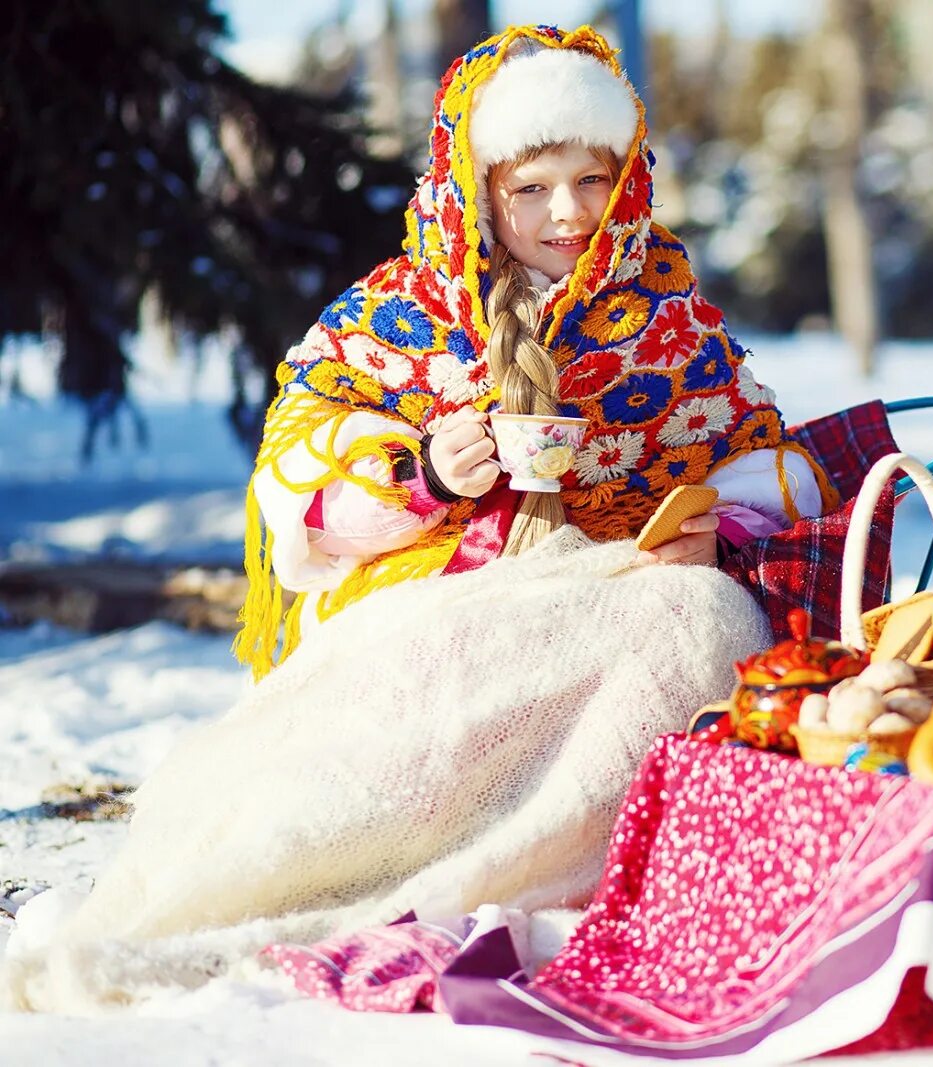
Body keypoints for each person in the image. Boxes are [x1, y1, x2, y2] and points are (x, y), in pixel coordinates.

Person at [2, 24, 835, 1013]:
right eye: (530, 187)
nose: (566, 213)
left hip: (599, 618)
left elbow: (762, 460)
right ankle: (318, 870)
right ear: (475, 187)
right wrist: (426, 475)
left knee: (700, 620)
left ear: (628, 176)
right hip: (430, 614)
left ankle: (516, 861)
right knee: (380, 762)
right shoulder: (396, 312)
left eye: (590, 178)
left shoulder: (667, 313)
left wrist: (714, 531)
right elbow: (298, 495)